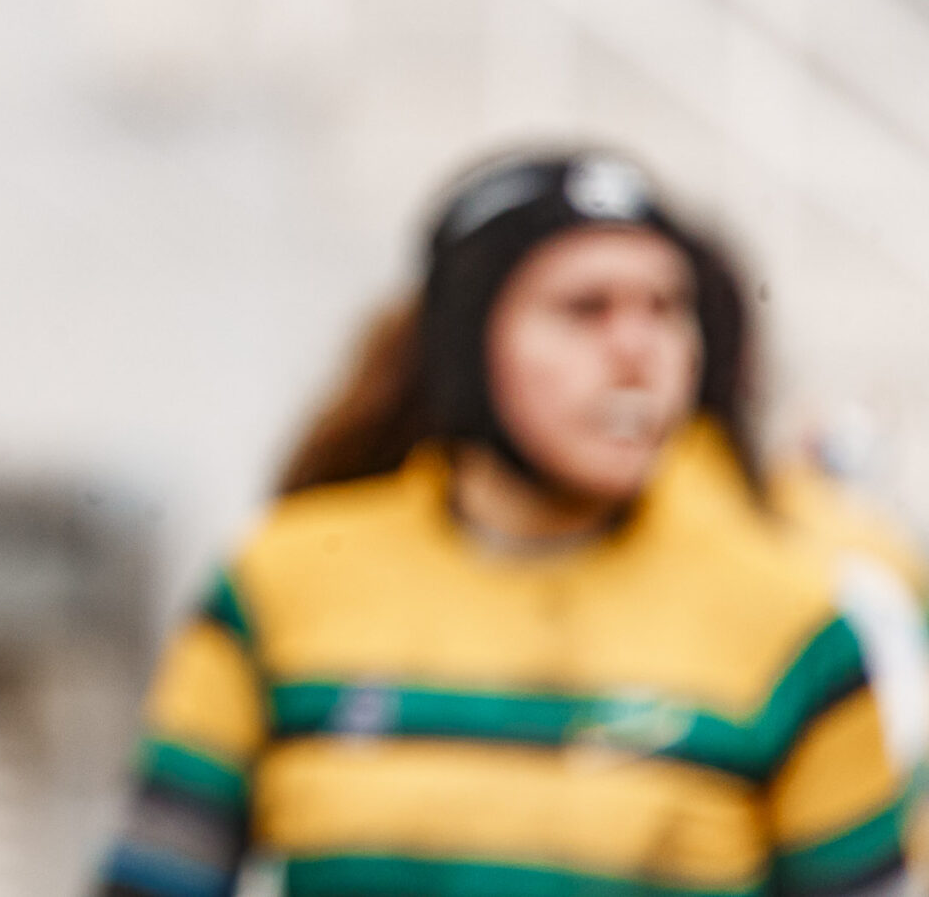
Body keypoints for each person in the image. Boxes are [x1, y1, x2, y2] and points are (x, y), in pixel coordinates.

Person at [100, 151, 917, 897]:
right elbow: (155, 881)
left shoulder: (793, 620)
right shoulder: (279, 582)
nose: (637, 349)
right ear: (467, 346)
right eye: (583, 308)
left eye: (666, 308)